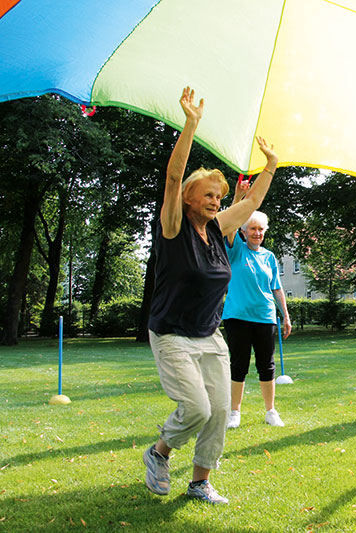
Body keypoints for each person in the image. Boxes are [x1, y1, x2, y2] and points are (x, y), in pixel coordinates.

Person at [143, 87, 278, 503]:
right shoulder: (172, 227)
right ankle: (159, 452)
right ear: (189, 199)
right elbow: (171, 177)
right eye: (208, 195)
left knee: (220, 410)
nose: (216, 202)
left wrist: (271, 166)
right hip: (171, 334)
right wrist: (191, 124)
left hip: (209, 336)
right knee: (197, 409)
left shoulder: (220, 232)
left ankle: (200, 482)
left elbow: (253, 199)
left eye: (219, 197)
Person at [221, 198, 292, 429]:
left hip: (265, 317)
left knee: (267, 365)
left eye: (261, 229)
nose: (257, 233)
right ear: (243, 231)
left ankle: (270, 411)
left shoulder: (269, 257)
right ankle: (234, 412)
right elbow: (228, 222)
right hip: (237, 316)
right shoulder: (235, 250)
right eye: (252, 228)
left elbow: (277, 288)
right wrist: (240, 197)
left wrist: (286, 315)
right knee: (239, 364)